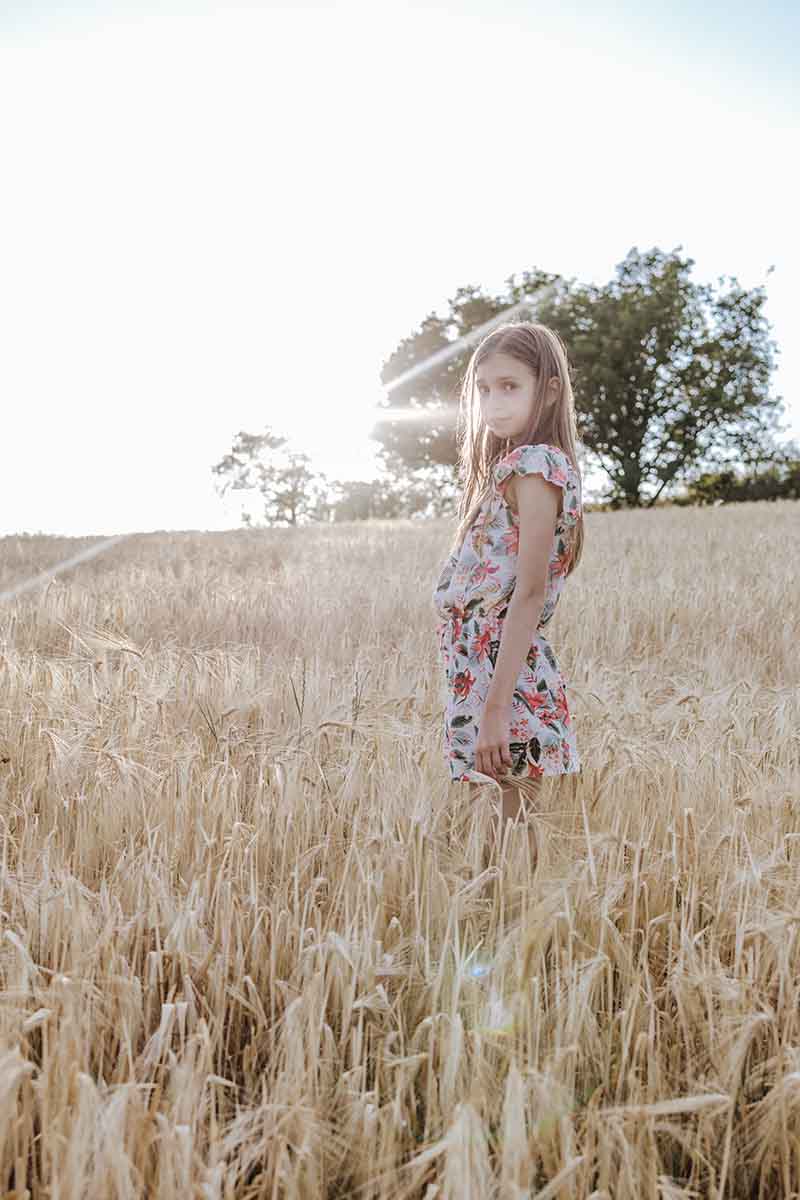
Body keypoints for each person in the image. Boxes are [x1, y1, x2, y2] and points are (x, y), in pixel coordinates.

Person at [431, 320, 585, 870]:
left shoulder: (534, 466)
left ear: (549, 390)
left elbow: (530, 592)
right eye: (484, 389)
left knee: (508, 846)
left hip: (506, 681)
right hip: (482, 675)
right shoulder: (510, 467)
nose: (493, 403)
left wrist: (495, 710)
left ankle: (524, 923)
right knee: (497, 846)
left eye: (510, 386)